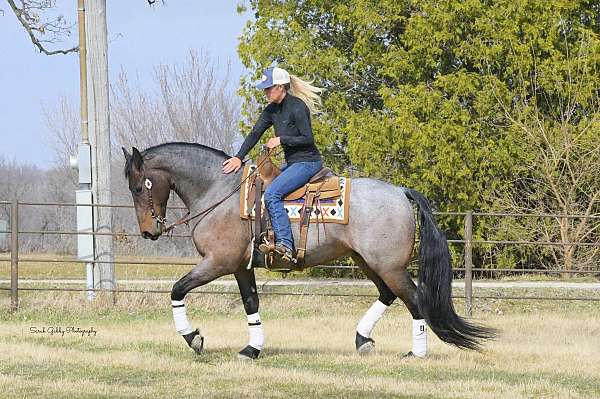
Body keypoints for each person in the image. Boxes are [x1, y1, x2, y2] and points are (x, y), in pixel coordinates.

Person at [222, 66, 323, 262]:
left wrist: (281, 140)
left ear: (280, 87)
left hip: (308, 162)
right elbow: (255, 133)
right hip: (293, 164)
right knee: (260, 186)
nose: (265, 92)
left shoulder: (297, 106)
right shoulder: (271, 110)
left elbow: (308, 139)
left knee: (272, 194)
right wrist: (238, 157)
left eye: (268, 88)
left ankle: (285, 245)